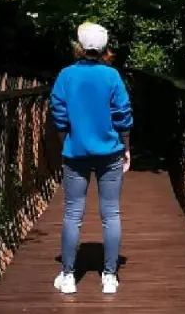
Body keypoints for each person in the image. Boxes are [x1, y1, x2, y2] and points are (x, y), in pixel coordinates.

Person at [50, 22, 133, 296]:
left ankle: (68, 275)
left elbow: (58, 113)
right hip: (109, 153)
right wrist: (126, 147)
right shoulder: (112, 77)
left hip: (76, 153)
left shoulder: (65, 75)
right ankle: (109, 277)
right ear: (104, 48)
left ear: (80, 46)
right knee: (111, 213)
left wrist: (65, 141)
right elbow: (123, 114)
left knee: (73, 213)